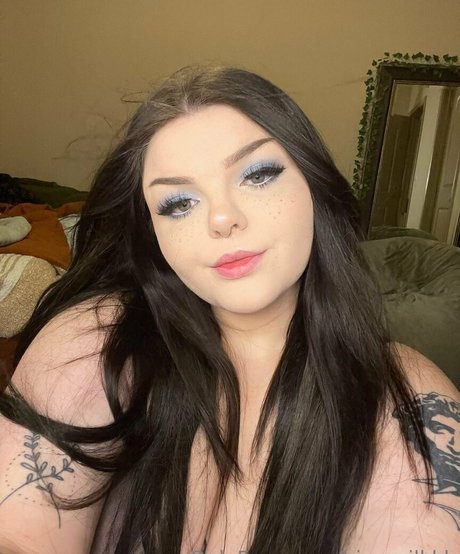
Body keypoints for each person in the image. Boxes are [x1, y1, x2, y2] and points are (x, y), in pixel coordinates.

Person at [0, 63, 458, 554]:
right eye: (178, 203)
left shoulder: (409, 396)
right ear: (154, 235)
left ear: (314, 187)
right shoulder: (96, 342)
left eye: (257, 175)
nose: (221, 218)